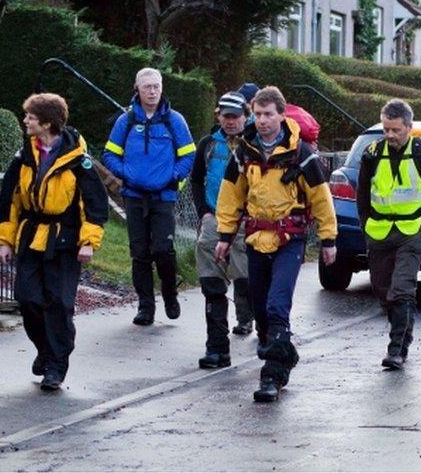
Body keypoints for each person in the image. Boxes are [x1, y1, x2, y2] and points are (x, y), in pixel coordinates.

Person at [215, 86, 337, 403]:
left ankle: (271, 376)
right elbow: (231, 196)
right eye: (258, 114)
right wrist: (225, 237)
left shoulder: (302, 154)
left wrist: (328, 239)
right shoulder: (244, 152)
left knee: (276, 305)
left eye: (269, 114)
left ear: (282, 115)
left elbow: (321, 200)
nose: (263, 120)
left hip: (289, 239)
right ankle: (282, 357)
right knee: (260, 310)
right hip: (256, 238)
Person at [0, 93, 109, 391]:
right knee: (27, 298)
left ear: (47, 123)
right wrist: (5, 240)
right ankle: (45, 349)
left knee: (58, 303)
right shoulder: (24, 157)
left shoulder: (78, 162)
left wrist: (88, 242)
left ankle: (56, 365)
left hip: (65, 241)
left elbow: (94, 205)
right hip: (32, 237)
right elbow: (9, 201)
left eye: (30, 117)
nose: (25, 121)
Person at [356, 100, 421, 370]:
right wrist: (366, 225)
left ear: (409, 127)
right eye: (386, 129)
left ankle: (396, 349)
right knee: (383, 292)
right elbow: (362, 194)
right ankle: (404, 334)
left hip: (411, 232)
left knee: (402, 289)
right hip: (379, 233)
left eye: (396, 130)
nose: (391, 135)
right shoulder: (371, 154)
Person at [102, 68, 196, 326]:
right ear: (138, 89)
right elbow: (109, 154)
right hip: (134, 196)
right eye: (147, 87)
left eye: (156, 86)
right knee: (140, 253)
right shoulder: (127, 121)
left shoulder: (174, 120)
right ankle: (145, 306)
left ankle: (170, 294)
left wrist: (172, 176)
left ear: (162, 88)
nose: (152, 91)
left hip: (163, 196)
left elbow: (189, 155)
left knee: (164, 250)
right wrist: (126, 174)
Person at [191, 92, 253, 369]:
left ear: (246, 116)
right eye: (225, 116)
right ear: (219, 117)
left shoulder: (255, 146)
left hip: (248, 223)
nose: (230, 121)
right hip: (214, 221)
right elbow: (195, 179)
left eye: (235, 116)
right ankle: (217, 348)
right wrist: (203, 212)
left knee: (248, 281)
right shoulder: (208, 144)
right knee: (212, 286)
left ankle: (260, 330)